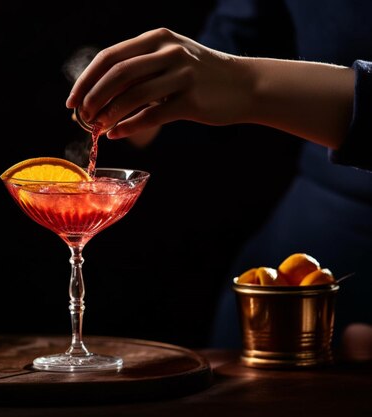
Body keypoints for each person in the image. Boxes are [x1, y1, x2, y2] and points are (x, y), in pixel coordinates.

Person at [65, 0, 372, 358]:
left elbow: (233, 74)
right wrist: (155, 95)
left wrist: (244, 81)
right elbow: (240, 26)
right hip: (314, 223)